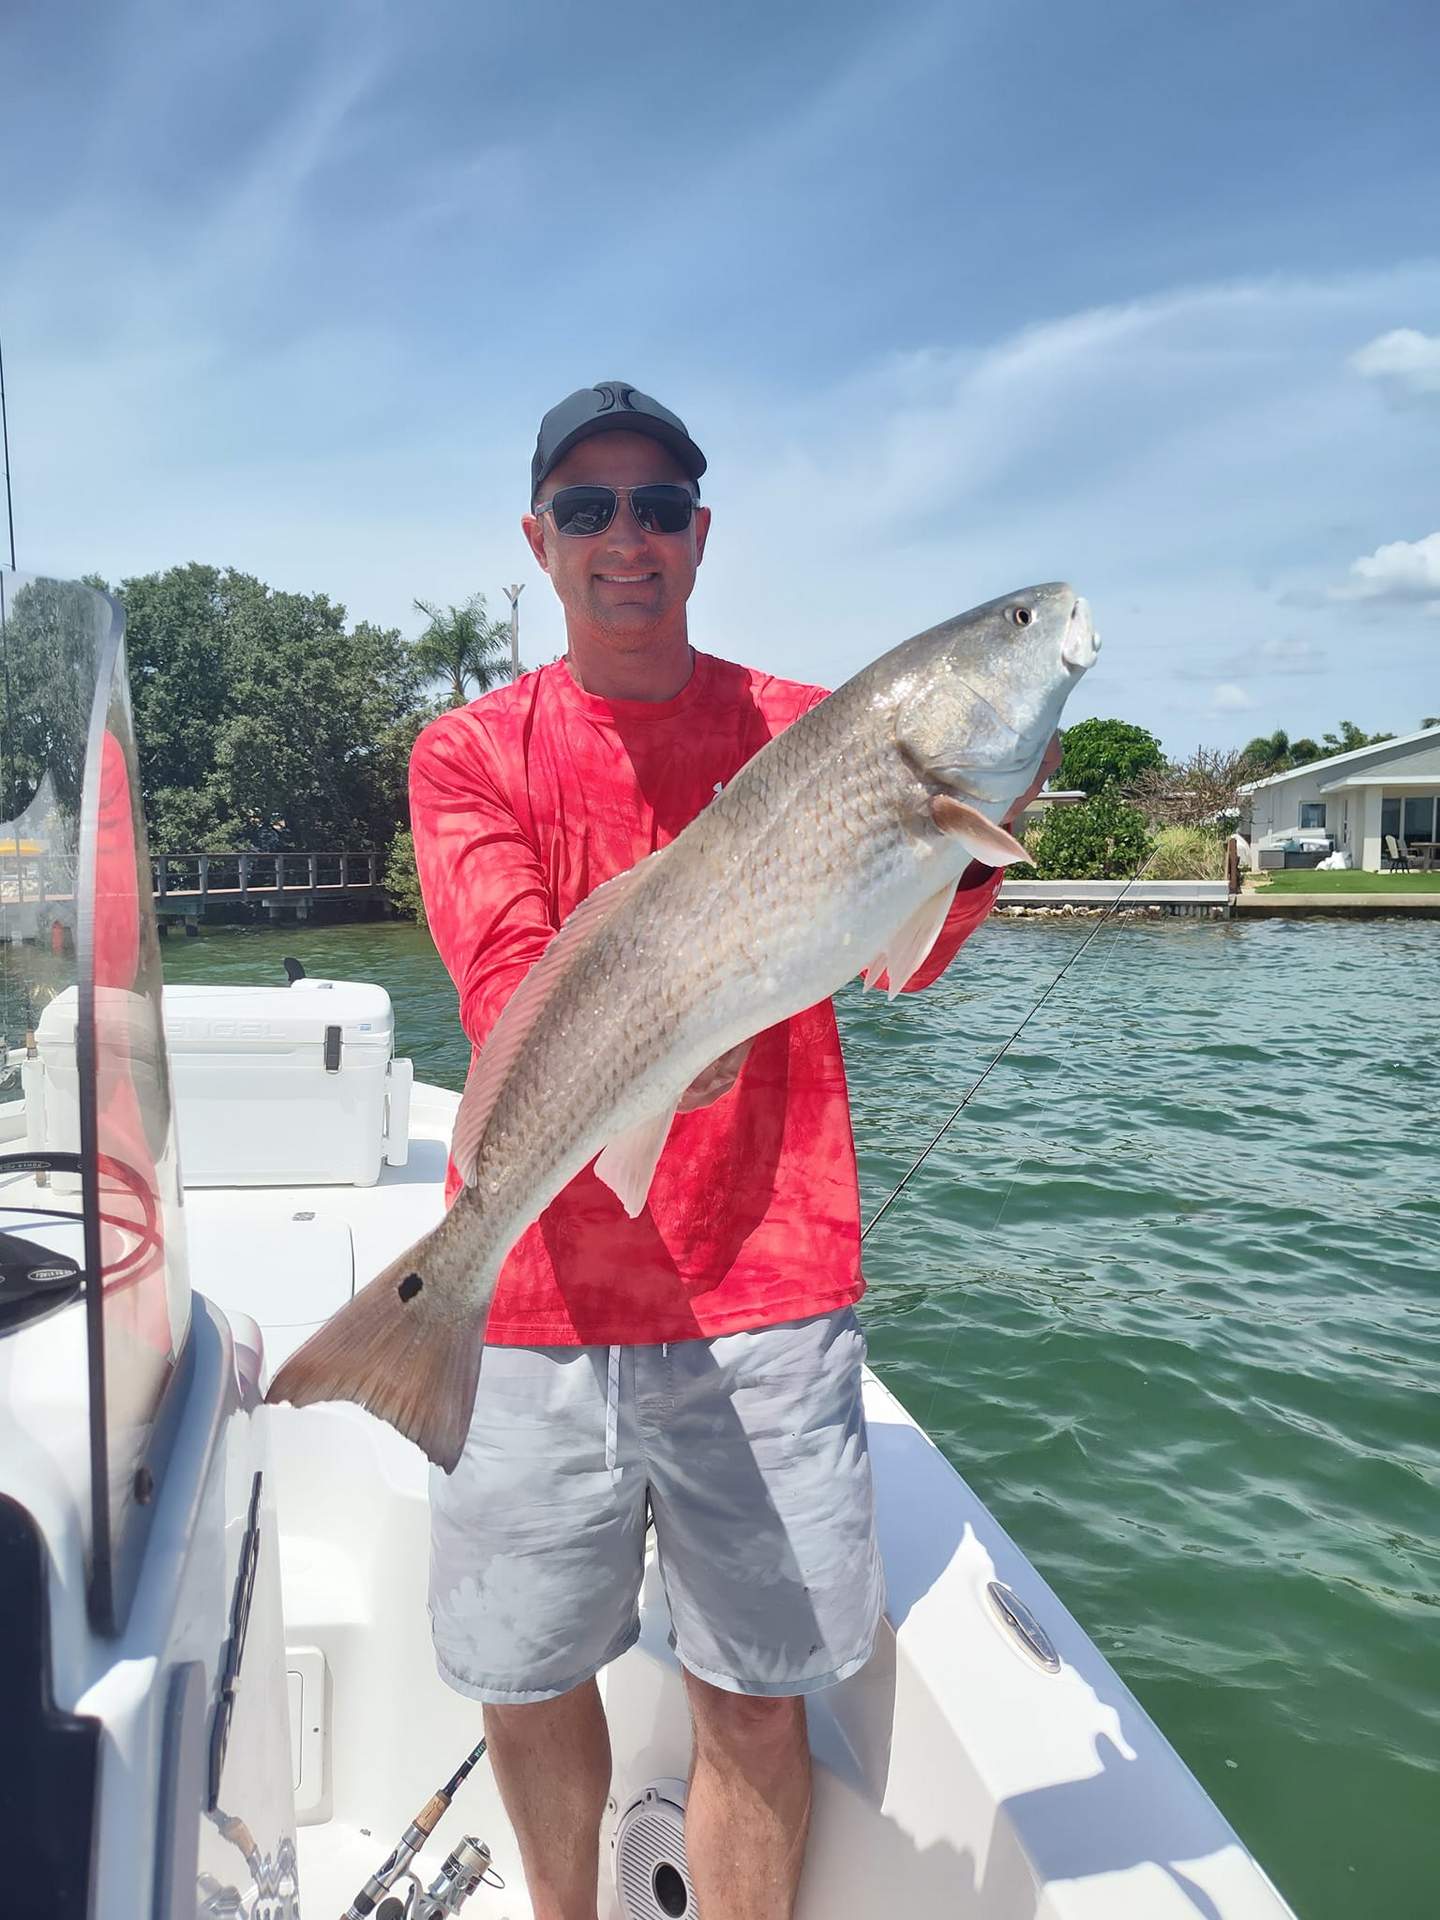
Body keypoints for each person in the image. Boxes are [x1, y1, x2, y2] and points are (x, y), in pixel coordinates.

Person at [409, 382, 1057, 1920]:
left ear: (702, 536)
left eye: (657, 508)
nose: (625, 538)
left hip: (769, 1286)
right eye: (588, 509)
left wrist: (973, 826)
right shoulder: (469, 752)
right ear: (539, 542)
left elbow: (899, 961)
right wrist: (654, 1058)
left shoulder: (811, 732)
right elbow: (504, 982)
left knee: (760, 1696)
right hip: (532, 1302)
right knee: (525, 1675)